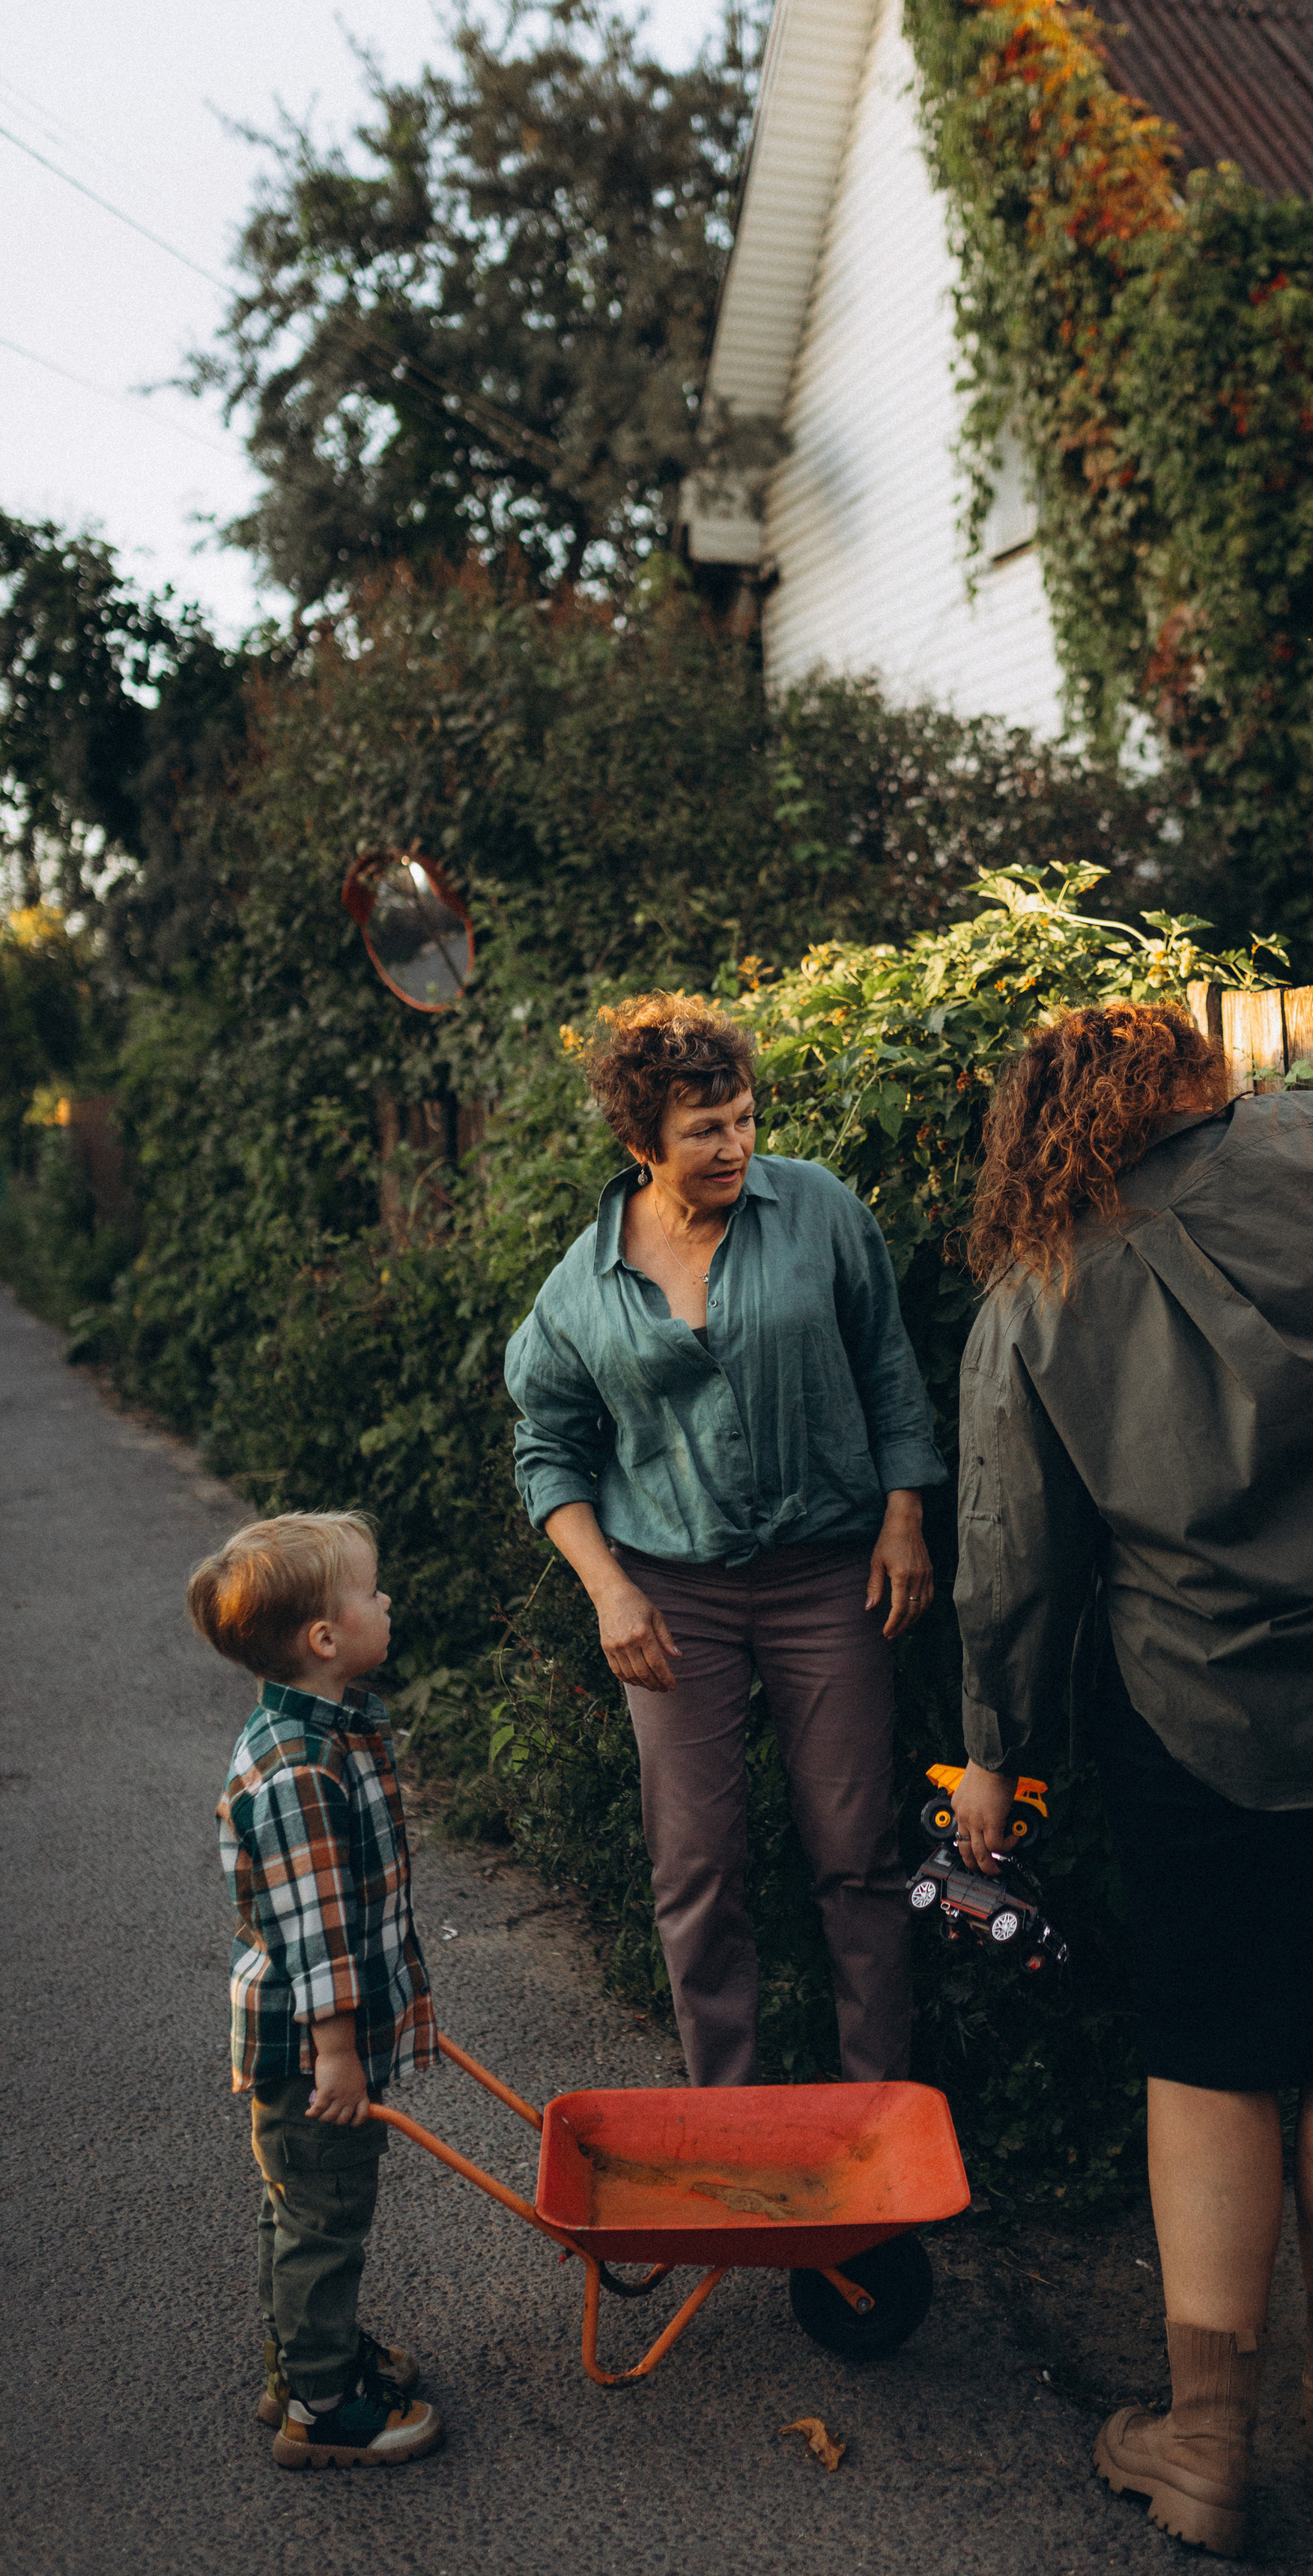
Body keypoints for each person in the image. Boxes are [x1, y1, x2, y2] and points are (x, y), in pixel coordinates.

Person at [948, 1001, 1313, 2558]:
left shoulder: (1031, 1293)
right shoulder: (1311, 1147)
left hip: (1186, 1717)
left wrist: (992, 1755)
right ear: (1184, 1082)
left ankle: (1202, 2444)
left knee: (1207, 2051)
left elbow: (1009, 1565)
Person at [504, 994, 945, 2087]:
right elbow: (547, 1450)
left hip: (829, 1580)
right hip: (671, 1596)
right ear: (639, 1143)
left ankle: (876, 2130)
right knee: (697, 1868)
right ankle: (730, 2125)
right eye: (704, 1130)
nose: (735, 1146)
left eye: (744, 1119)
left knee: (857, 1856)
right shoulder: (582, 1287)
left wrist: (904, 1514)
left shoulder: (820, 1210)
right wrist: (608, 1588)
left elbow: (890, 1366)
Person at [194, 1509, 443, 2471]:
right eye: (371, 1592)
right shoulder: (301, 1772)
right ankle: (323, 2405)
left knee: (297, 2206)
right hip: (311, 2049)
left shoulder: (317, 1731)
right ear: (326, 1639)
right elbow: (322, 1932)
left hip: (307, 2039)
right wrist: (338, 2053)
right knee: (323, 2219)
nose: (387, 1601)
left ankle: (298, 2361)